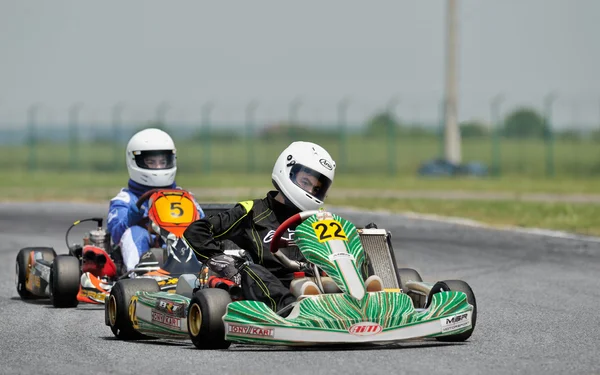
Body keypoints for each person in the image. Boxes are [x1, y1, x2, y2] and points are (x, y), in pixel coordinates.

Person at [182, 141, 336, 314]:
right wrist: (222, 260)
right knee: (250, 269)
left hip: (311, 282)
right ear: (287, 171)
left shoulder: (319, 219)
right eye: (305, 182)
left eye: (316, 188)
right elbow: (196, 231)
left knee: (354, 251)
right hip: (265, 287)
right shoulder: (253, 212)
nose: (310, 190)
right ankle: (290, 308)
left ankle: (361, 302)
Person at [107, 128, 205, 272]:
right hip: (144, 253)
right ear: (135, 160)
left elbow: (204, 228)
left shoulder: (184, 196)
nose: (158, 167)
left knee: (189, 236)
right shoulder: (125, 200)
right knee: (135, 232)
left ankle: (199, 274)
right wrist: (131, 218)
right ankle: (139, 275)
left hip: (179, 254)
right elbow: (116, 235)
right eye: (151, 162)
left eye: (163, 162)